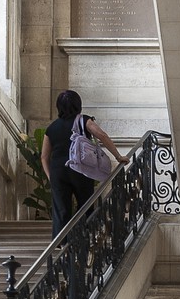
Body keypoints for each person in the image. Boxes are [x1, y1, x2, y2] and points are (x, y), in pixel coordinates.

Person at [41, 89, 127, 238]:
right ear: (78, 104)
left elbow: (44, 156)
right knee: (85, 205)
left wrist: (50, 176)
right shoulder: (83, 120)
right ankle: (85, 239)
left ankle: (62, 244)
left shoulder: (51, 128)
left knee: (61, 210)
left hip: (58, 172)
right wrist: (118, 156)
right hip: (80, 169)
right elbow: (101, 135)